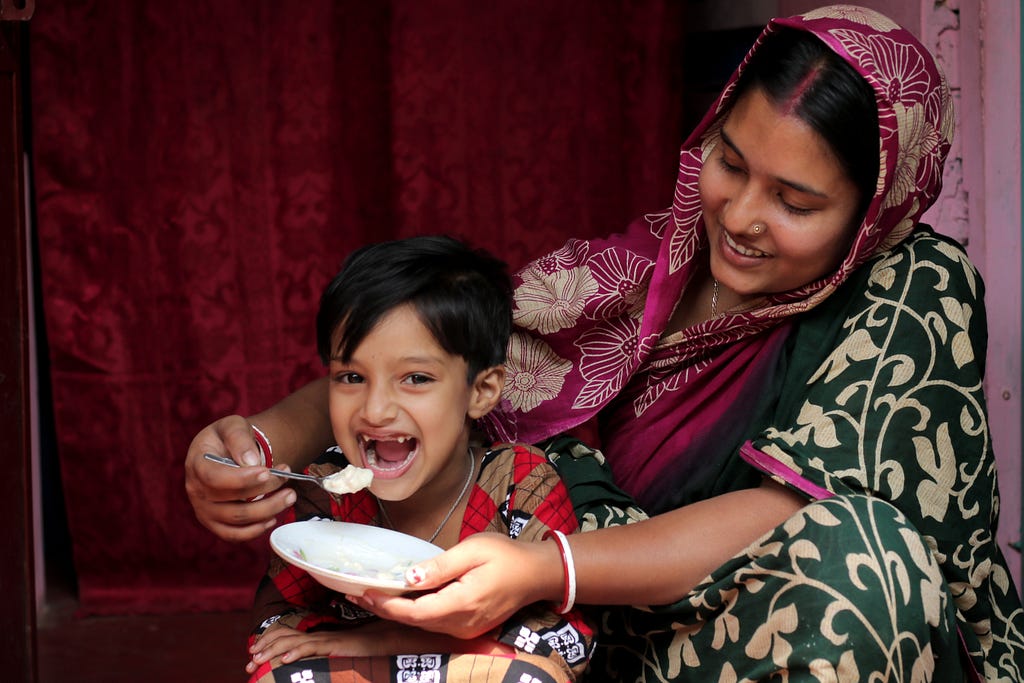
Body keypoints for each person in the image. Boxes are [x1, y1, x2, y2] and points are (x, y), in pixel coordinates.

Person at [185, 6, 1024, 680]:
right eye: (730, 162)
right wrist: (261, 441)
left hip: (760, 638)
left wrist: (545, 569)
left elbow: (791, 519)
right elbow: (436, 362)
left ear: (871, 209)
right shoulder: (644, 270)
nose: (737, 217)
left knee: (861, 560)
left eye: (795, 202)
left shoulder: (912, 286)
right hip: (572, 638)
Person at [242, 235, 595, 682]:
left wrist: (382, 641)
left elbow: (564, 643)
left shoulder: (521, 483)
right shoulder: (326, 491)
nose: (375, 410)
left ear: (482, 391)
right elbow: (275, 626)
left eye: (415, 378)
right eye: (351, 376)